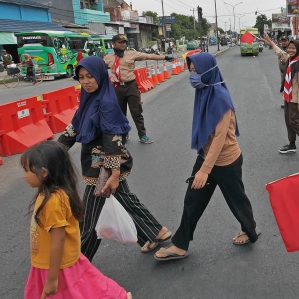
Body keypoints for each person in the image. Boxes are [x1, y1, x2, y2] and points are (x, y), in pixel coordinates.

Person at [57, 56, 171, 261]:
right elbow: (73, 129)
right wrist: (53, 152)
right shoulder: (87, 99)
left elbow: (113, 139)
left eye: (90, 76)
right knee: (124, 198)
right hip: (98, 163)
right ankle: (155, 231)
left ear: (100, 75)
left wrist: (113, 172)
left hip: (104, 167)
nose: (85, 82)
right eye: (81, 77)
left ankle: (78, 260)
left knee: (91, 216)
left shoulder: (106, 102)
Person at [154, 53, 260, 261]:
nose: (193, 76)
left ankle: (250, 230)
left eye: (196, 71)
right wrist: (204, 165)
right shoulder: (204, 91)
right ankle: (180, 245)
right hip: (207, 155)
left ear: (208, 71)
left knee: (237, 200)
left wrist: (204, 170)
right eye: (191, 71)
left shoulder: (220, 97)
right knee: (192, 200)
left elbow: (220, 138)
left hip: (227, 160)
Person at [21, 141, 132, 299]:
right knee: (85, 285)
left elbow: (57, 241)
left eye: (26, 170)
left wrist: (52, 279)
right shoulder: (51, 194)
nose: (24, 175)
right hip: (50, 261)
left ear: (44, 172)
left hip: (57, 265)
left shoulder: (52, 201)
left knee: (76, 290)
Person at [261, 32, 299, 157]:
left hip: (295, 98)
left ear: (298, 49)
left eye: (293, 48)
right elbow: (279, 52)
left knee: (294, 122)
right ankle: (292, 144)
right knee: (288, 121)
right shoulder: (289, 59)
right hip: (287, 96)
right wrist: (271, 42)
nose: (290, 50)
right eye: (289, 48)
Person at [103, 34, 173, 144]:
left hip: (131, 86)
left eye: (124, 42)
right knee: (120, 113)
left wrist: (165, 57)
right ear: (113, 44)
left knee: (136, 111)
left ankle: (142, 135)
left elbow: (148, 56)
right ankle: (124, 133)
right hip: (117, 88)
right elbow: (96, 66)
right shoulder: (108, 58)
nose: (123, 44)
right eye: (120, 42)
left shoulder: (131, 53)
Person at [277, 36, 290, 109]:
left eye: (285, 41)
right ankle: (286, 102)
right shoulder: (281, 49)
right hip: (283, 72)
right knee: (284, 86)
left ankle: (290, 102)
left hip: (289, 72)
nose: (283, 42)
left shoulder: (289, 50)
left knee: (288, 86)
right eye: (282, 41)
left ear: (288, 41)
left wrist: (286, 61)